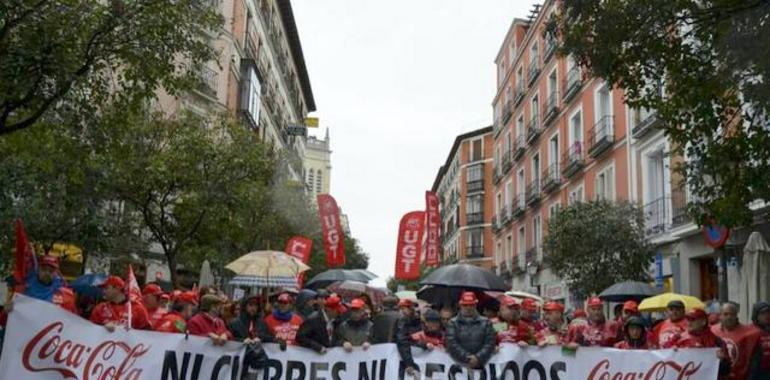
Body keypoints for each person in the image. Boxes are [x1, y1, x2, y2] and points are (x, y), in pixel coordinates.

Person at [669, 308, 731, 377]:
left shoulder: (716, 342)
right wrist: (671, 353)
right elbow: (667, 365)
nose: (689, 323)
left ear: (703, 322)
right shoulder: (678, 339)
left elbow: (726, 371)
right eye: (688, 319)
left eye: (692, 320)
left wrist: (722, 361)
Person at [445, 292, 496, 369]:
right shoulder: (452, 323)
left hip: (483, 365)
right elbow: (451, 344)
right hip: (459, 366)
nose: (468, 308)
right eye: (465, 305)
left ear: (475, 305)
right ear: (460, 305)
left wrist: (478, 358)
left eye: (471, 305)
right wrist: (467, 358)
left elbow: (490, 343)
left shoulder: (486, 322)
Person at [711, 302, 761, 380]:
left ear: (736, 315)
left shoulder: (751, 334)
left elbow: (755, 361)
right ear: (720, 316)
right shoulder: (712, 332)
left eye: (732, 314)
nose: (729, 317)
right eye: (726, 314)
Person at [403, 309, 445, 376]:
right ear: (425, 323)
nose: (434, 325)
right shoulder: (416, 337)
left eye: (436, 322)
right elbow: (407, 346)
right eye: (431, 322)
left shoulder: (444, 338)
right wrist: (424, 345)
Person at [749, 301, 770, 379]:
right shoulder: (749, 331)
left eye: (768, 312)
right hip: (756, 374)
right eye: (762, 313)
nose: (767, 315)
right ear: (756, 315)